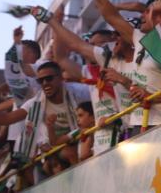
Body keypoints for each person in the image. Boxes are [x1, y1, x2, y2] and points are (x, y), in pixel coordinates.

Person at [74, 0, 161, 134]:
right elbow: (111, 16)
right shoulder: (141, 39)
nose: (142, 16)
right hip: (137, 123)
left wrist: (149, 96)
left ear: (160, 16)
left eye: (147, 12)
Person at [0, 61, 89, 180]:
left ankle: (82, 180)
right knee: (38, 168)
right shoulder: (36, 102)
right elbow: (7, 118)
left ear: (61, 78)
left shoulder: (79, 91)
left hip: (81, 137)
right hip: (54, 145)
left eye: (49, 78)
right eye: (41, 81)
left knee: (70, 153)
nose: (45, 83)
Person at [35, 9, 132, 154]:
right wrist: (56, 23)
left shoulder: (122, 64)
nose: (93, 49)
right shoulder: (89, 71)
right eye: (91, 44)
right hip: (100, 143)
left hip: (126, 136)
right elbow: (61, 57)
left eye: (98, 44)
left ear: (114, 41)